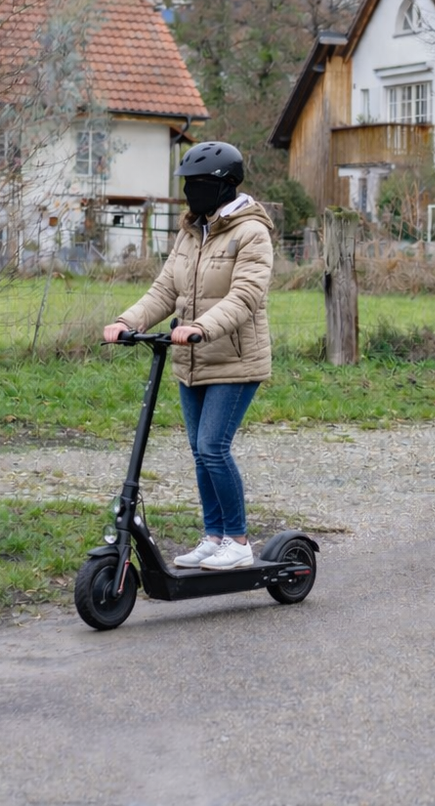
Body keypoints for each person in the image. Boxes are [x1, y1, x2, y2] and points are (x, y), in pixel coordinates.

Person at [103, 141, 274, 571]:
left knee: (213, 447)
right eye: (187, 184)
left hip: (234, 359)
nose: (190, 193)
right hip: (191, 359)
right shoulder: (189, 231)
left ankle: (237, 541)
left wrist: (201, 327)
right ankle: (213, 537)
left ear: (225, 185)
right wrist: (127, 320)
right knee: (199, 452)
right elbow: (165, 290)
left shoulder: (251, 233)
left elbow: (246, 296)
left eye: (198, 184)